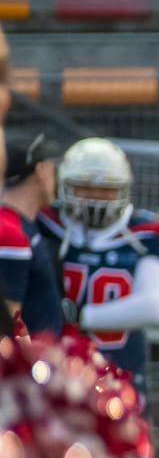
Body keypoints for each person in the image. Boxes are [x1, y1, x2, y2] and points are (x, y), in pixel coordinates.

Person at [37, 138, 159, 399]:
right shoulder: (45, 224)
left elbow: (155, 306)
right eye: (84, 188)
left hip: (119, 372)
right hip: (55, 368)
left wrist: (81, 316)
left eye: (106, 190)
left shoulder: (143, 233)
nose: (95, 200)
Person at [0, 134, 64, 335]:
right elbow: (9, 319)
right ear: (41, 170)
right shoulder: (10, 231)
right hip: (27, 363)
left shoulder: (27, 224)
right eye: (53, 167)